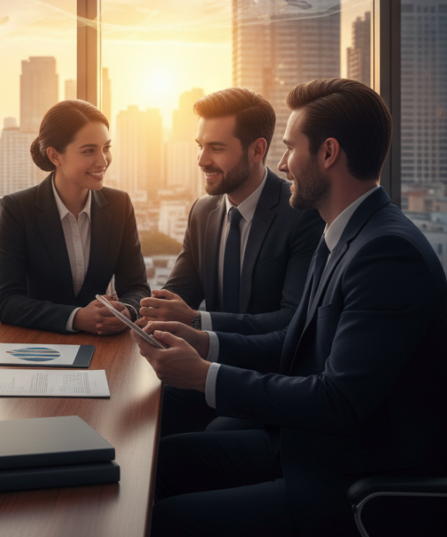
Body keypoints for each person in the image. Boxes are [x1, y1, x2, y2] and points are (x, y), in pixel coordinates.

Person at [133, 79, 447, 537]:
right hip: (311, 444)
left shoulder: (385, 253)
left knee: (167, 520)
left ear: (327, 154)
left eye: (289, 149)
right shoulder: (342, 233)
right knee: (159, 463)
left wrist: (203, 375)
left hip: (352, 478)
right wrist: (202, 341)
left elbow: (338, 402)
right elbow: (293, 342)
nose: (282, 165)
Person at [137, 88, 323, 436]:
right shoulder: (203, 211)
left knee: (181, 442)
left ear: (257, 150)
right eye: (200, 145)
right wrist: (137, 312)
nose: (201, 160)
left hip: (267, 385)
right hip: (205, 368)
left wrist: (196, 320)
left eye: (216, 148)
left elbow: (292, 321)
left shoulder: (301, 214)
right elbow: (179, 294)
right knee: (135, 412)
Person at [0, 99, 150, 334]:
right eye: (89, 151)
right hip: (38, 346)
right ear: (55, 156)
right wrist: (75, 318)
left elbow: (137, 287)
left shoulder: (119, 205)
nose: (103, 160)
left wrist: (126, 311)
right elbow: (5, 302)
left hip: (103, 346)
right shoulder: (18, 208)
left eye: (106, 148)